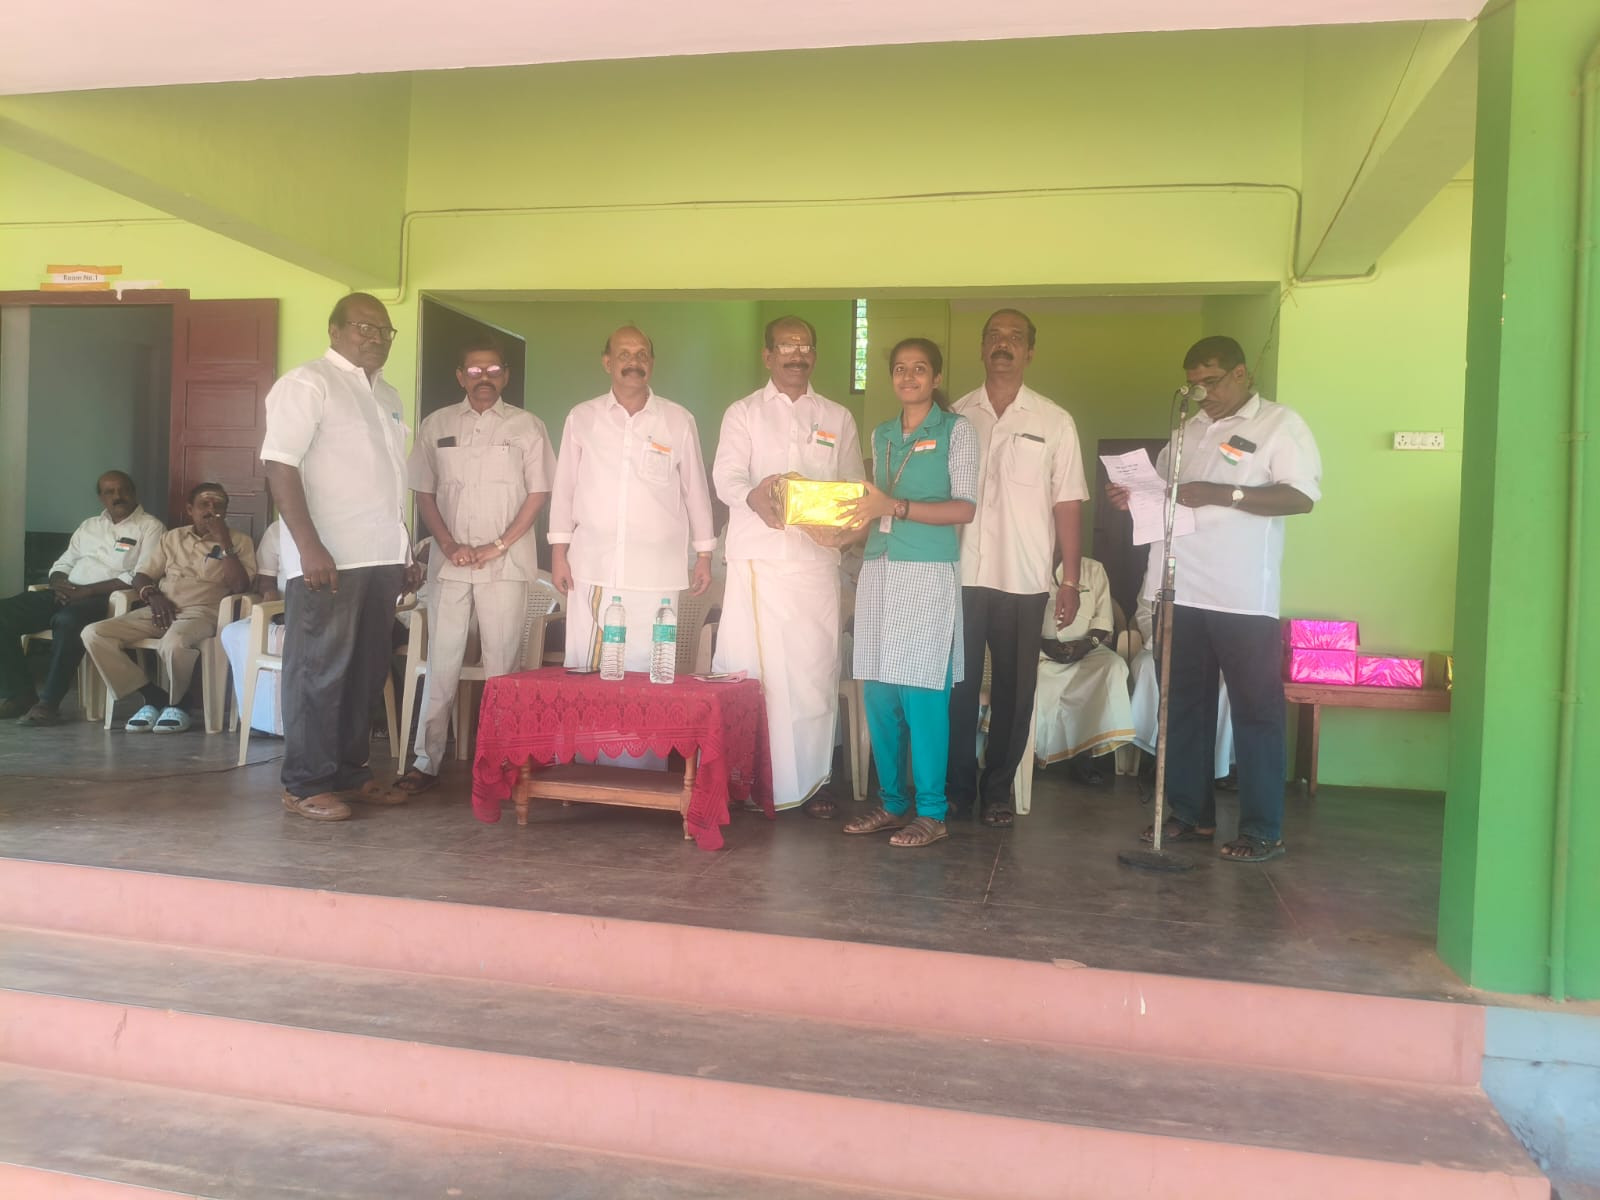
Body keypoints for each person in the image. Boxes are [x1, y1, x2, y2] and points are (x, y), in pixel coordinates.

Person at [1106, 335, 1321, 862]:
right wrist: (1131, 498)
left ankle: (1262, 829)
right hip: (1179, 587)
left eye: (1212, 381)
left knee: (1255, 710)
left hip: (1241, 593)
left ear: (1241, 373)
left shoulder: (1278, 424)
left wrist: (1227, 493)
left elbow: (1301, 497)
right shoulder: (1186, 433)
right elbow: (1164, 498)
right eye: (1194, 384)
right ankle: (1189, 813)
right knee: (1182, 705)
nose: (1203, 393)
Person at [261, 292, 420, 822]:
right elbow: (280, 465)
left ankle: (351, 773)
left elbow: (388, 479)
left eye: (384, 330)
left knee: (365, 672)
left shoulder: (388, 395)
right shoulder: (308, 383)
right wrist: (309, 546)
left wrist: (402, 549)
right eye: (362, 327)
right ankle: (305, 783)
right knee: (318, 671)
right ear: (334, 330)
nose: (375, 337)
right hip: (327, 558)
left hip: (380, 556)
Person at [712, 316, 864, 814]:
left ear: (814, 355)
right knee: (757, 675)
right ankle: (753, 782)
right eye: (786, 346)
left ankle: (812, 782)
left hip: (816, 566)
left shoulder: (837, 416)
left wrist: (845, 528)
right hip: (759, 563)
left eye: (804, 346)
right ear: (768, 355)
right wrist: (754, 496)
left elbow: (853, 489)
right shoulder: (744, 413)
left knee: (813, 675)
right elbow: (726, 476)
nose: (796, 354)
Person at [948, 309, 1089, 828]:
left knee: (1014, 690)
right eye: (994, 336)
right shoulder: (955, 416)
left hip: (1023, 578)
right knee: (957, 690)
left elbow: (1068, 502)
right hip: (960, 575)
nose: (1003, 344)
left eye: (1015, 338)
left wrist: (1069, 579)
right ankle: (957, 791)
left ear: (1030, 351)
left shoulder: (1054, 421)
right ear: (981, 347)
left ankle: (997, 791)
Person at [399, 336, 555, 793]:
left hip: (504, 564)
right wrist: (447, 544)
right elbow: (424, 492)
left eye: (492, 371)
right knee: (441, 662)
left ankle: (502, 762)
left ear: (505, 376)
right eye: (473, 371)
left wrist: (498, 545)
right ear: (460, 377)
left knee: (502, 667)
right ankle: (426, 760)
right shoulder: (437, 424)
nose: (483, 378)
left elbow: (538, 494)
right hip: (450, 563)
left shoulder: (527, 426)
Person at [837, 338, 976, 847]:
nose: (909, 376)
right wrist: (838, 532)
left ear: (936, 378)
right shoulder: (882, 434)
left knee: (922, 693)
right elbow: (871, 507)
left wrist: (895, 508)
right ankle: (894, 804)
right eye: (900, 368)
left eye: (920, 369)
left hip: (926, 571)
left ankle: (932, 812)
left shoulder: (957, 430)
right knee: (879, 691)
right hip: (879, 568)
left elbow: (965, 508)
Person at [549, 326, 715, 673]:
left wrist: (704, 554)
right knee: (591, 669)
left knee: (651, 668)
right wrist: (558, 554)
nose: (633, 362)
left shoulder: (677, 420)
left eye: (641, 355)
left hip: (657, 572)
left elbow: (696, 490)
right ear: (607, 362)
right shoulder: (583, 418)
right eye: (624, 354)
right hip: (594, 568)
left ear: (651, 363)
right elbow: (564, 488)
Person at [81, 482, 255, 733]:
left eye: (218, 505)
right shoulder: (172, 538)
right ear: (190, 510)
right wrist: (153, 596)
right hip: (160, 609)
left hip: (203, 613)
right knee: (94, 633)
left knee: (173, 643)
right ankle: (154, 696)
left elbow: (240, 586)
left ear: (226, 511)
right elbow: (142, 575)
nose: (211, 510)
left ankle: (178, 703)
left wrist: (224, 542)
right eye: (204, 505)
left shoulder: (240, 541)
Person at [0, 471, 165, 725]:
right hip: (66, 591)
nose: (117, 496)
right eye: (109, 492)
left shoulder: (150, 526)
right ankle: (20, 694)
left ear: (134, 492)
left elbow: (140, 574)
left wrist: (88, 592)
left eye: (123, 490)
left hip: (106, 599)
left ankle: (49, 703)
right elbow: (63, 563)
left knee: (67, 621)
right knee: (4, 614)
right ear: (101, 497)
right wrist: (59, 583)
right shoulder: (89, 525)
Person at [1127, 544, 1236, 784]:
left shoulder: (1219, 574)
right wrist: (1162, 643)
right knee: (1148, 670)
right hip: (1160, 648)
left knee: (1226, 681)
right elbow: (1144, 613)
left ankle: (1215, 767)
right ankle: (1159, 757)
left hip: (1207, 654)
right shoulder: (1159, 570)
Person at [1033, 556, 1133, 782]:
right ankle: (1032, 753)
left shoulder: (1094, 569)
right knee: (1033, 677)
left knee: (1113, 667)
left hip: (1087, 650)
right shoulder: (1032, 563)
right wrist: (1045, 644)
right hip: (1041, 651)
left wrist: (1087, 645)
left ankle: (1085, 754)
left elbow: (1104, 620)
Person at [218, 519, 286, 736]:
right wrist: (271, 600)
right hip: (281, 609)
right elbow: (267, 581)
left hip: (322, 613)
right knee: (235, 633)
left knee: (284, 640)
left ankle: (287, 724)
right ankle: (258, 719)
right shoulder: (277, 530)